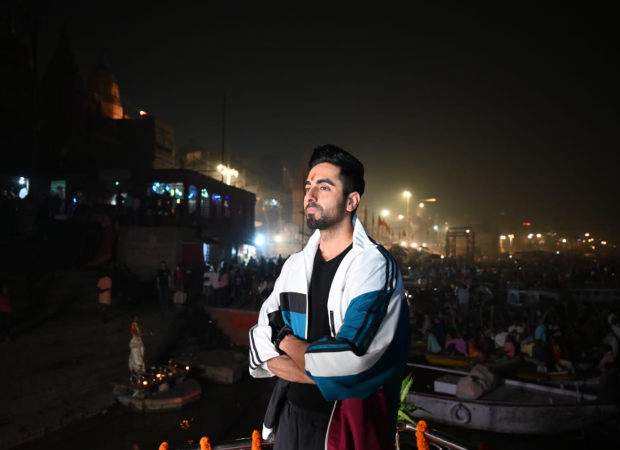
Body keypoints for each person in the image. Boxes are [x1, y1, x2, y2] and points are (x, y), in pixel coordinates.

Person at [248, 145, 410, 450]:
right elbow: (258, 340)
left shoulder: (374, 266)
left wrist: (282, 339)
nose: (310, 194)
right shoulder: (295, 265)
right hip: (289, 416)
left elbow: (349, 363)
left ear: (352, 200)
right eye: (309, 186)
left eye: (324, 186)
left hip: (347, 425)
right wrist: (327, 373)